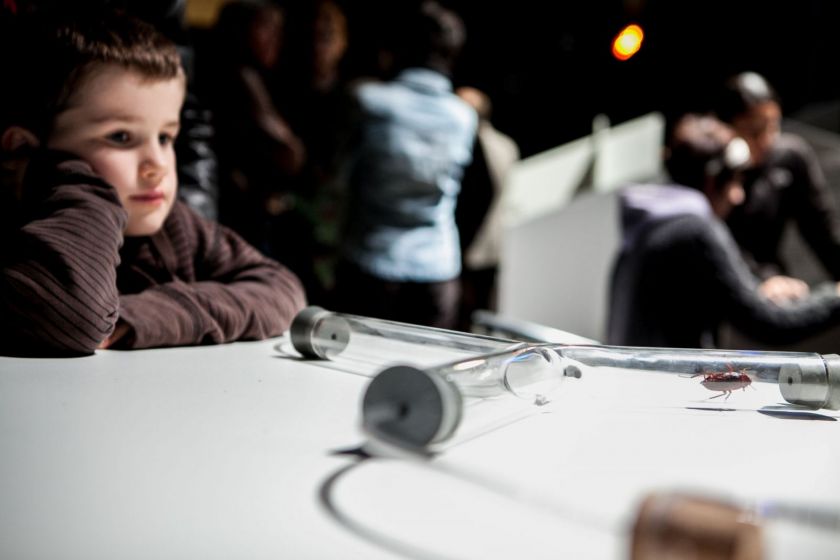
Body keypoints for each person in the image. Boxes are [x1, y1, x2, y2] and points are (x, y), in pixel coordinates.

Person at [0, 12, 306, 357]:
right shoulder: (17, 238)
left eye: (165, 136)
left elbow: (282, 289)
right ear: (23, 149)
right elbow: (73, 318)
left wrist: (152, 314)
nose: (157, 165)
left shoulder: (175, 229)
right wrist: (77, 186)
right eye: (121, 136)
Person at [607, 114, 840, 348]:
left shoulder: (649, 227)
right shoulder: (696, 231)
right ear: (712, 181)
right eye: (735, 183)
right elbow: (770, 324)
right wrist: (835, 297)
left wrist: (757, 290)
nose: (738, 197)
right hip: (674, 382)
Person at [332, 1, 477, 329]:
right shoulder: (463, 117)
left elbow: (335, 178)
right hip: (438, 267)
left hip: (369, 263)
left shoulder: (367, 101)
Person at [715, 71, 840, 304]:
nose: (766, 140)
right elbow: (717, 238)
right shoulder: (714, 171)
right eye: (753, 132)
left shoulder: (790, 157)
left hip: (775, 282)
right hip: (729, 285)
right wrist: (759, 279)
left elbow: (822, 228)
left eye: (773, 126)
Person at [454, 86, 520, 328]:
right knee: (485, 316)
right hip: (494, 244)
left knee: (463, 317)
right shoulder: (507, 145)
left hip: (470, 244)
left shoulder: (471, 145)